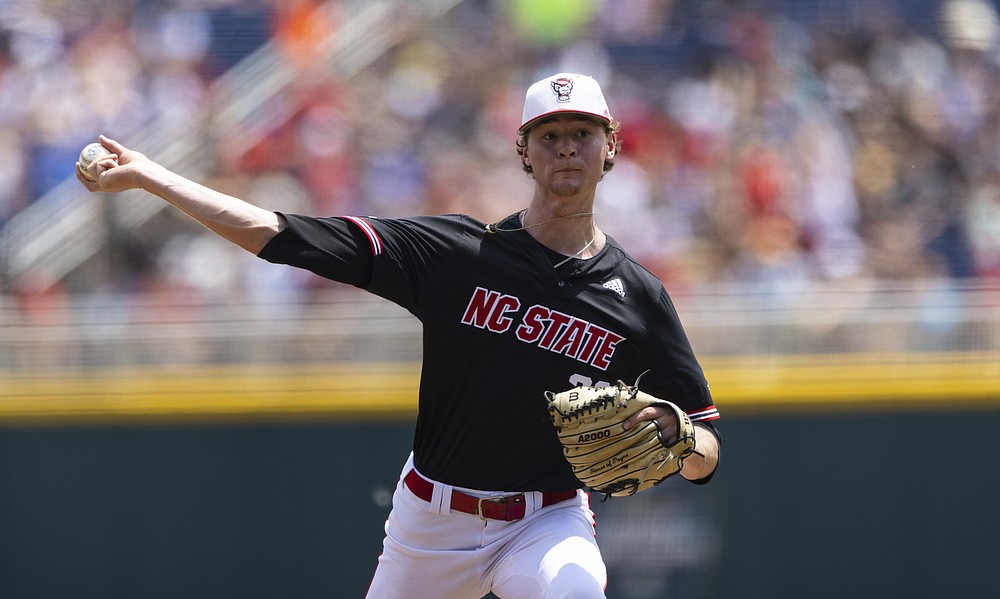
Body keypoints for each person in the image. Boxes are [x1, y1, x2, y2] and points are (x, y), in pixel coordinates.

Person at [77, 72, 721, 599]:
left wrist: (680, 433)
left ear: (611, 146)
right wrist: (152, 177)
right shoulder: (459, 255)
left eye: (582, 133)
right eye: (548, 135)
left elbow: (706, 454)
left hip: (546, 520)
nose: (566, 147)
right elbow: (283, 234)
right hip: (429, 524)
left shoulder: (637, 297)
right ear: (524, 150)